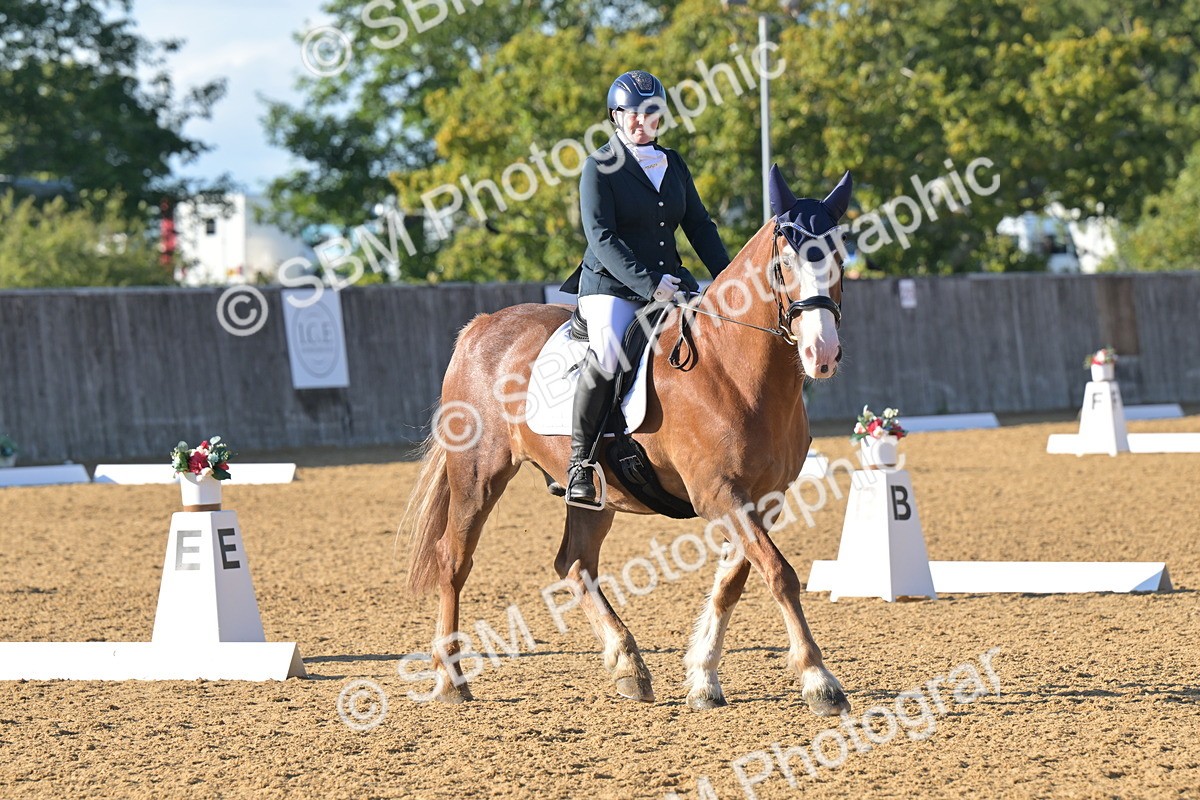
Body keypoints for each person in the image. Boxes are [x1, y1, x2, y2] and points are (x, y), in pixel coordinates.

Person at [561, 69, 731, 508]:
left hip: (670, 282)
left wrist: (729, 279)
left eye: (651, 112)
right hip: (611, 286)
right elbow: (602, 237)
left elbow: (699, 225)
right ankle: (580, 463)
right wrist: (650, 284)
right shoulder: (599, 166)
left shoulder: (673, 163)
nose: (642, 121)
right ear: (615, 116)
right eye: (632, 113)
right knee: (608, 353)